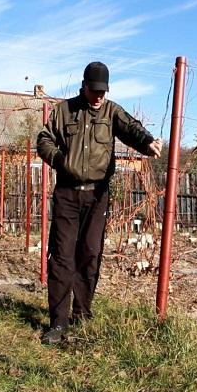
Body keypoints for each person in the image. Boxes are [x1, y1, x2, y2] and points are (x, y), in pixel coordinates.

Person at [36, 61, 162, 344]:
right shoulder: (63, 111)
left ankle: (82, 314)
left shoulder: (110, 111)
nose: (99, 96)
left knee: (90, 254)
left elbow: (132, 128)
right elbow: (43, 140)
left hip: (97, 195)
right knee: (62, 257)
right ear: (84, 86)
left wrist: (148, 142)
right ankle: (58, 322)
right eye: (94, 91)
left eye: (103, 91)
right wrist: (60, 161)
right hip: (67, 194)